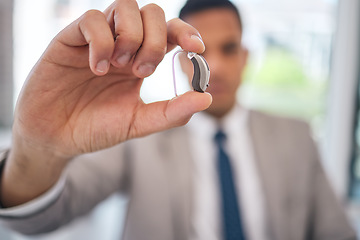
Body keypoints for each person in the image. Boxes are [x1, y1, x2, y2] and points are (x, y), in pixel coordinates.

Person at [0, 0, 356, 239]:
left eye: (229, 48)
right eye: (199, 51)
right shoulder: (137, 134)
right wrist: (36, 147)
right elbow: (39, 218)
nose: (213, 65)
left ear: (246, 56)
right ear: (182, 61)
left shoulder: (296, 136)